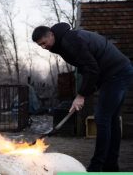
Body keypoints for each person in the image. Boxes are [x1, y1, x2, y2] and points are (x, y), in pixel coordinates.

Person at [32, 22, 133, 172]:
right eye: (40, 45)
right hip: (118, 72)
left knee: (102, 118)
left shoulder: (70, 41)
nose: (43, 47)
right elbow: (87, 68)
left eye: (44, 43)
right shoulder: (64, 41)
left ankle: (96, 167)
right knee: (111, 119)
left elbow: (91, 68)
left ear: (51, 35)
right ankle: (110, 166)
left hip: (116, 73)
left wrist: (81, 95)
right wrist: (84, 93)